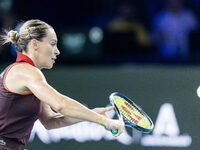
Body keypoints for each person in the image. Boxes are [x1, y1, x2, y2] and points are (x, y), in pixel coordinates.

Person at [0, 19, 124, 150]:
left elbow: (50, 121)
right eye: (53, 44)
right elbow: (61, 104)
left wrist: (91, 114)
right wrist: (104, 121)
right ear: (35, 44)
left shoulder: (30, 76)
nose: (57, 51)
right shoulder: (25, 71)